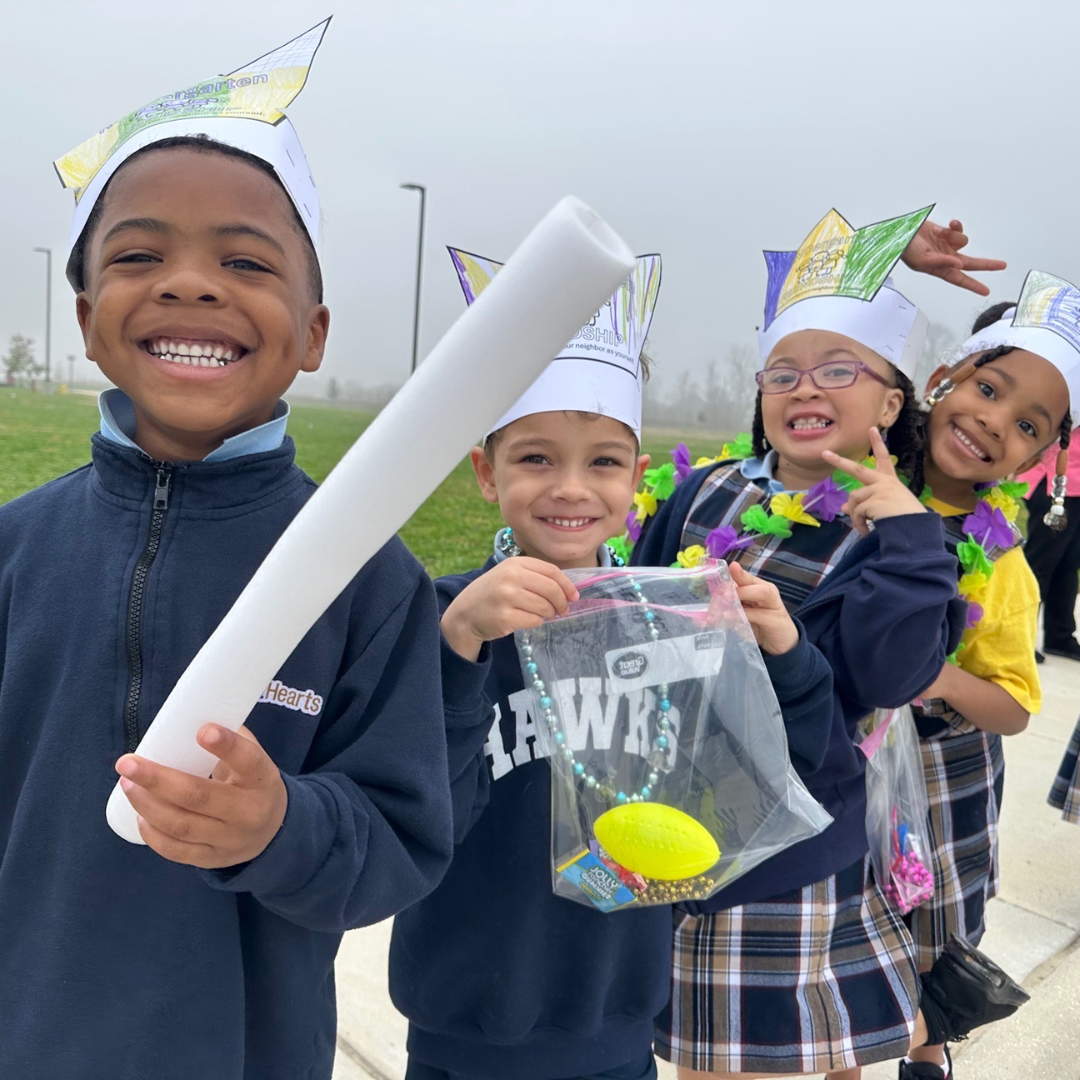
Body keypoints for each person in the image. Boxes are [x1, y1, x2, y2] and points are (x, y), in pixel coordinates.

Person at [0, 24, 454, 1079]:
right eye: (140, 255)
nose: (192, 284)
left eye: (245, 262)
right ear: (86, 316)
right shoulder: (17, 549)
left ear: (313, 333)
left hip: (240, 1051)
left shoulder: (370, 581)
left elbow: (399, 844)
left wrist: (281, 824)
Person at [389, 249, 837, 1080]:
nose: (570, 487)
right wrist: (456, 649)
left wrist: (785, 657)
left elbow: (780, 777)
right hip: (463, 1025)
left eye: (602, 460)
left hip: (619, 1021)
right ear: (487, 472)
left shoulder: (666, 620)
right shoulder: (443, 618)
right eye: (534, 458)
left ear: (637, 482)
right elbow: (406, 807)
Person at [630, 206, 1028, 1079]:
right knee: (709, 1057)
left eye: (838, 370)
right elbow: (632, 611)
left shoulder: (901, 531)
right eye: (783, 373)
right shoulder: (706, 493)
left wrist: (909, 536)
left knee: (805, 1051)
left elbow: (889, 675)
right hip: (683, 817)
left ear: (892, 403)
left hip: (799, 839)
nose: (805, 389)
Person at [891, 275, 1079, 1079]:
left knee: (927, 943)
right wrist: (898, 258)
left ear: (1038, 459)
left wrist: (931, 677)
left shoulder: (1000, 560)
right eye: (988, 387)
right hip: (830, 756)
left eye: (1027, 423)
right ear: (943, 379)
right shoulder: (853, 489)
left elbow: (1012, 708)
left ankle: (927, 1056)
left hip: (937, 784)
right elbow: (822, 349)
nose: (992, 421)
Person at [1019, 436, 1080, 661]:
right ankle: (1018, 637)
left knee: (1069, 564)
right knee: (1039, 564)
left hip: (1076, 484)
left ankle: (1060, 637)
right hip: (1054, 481)